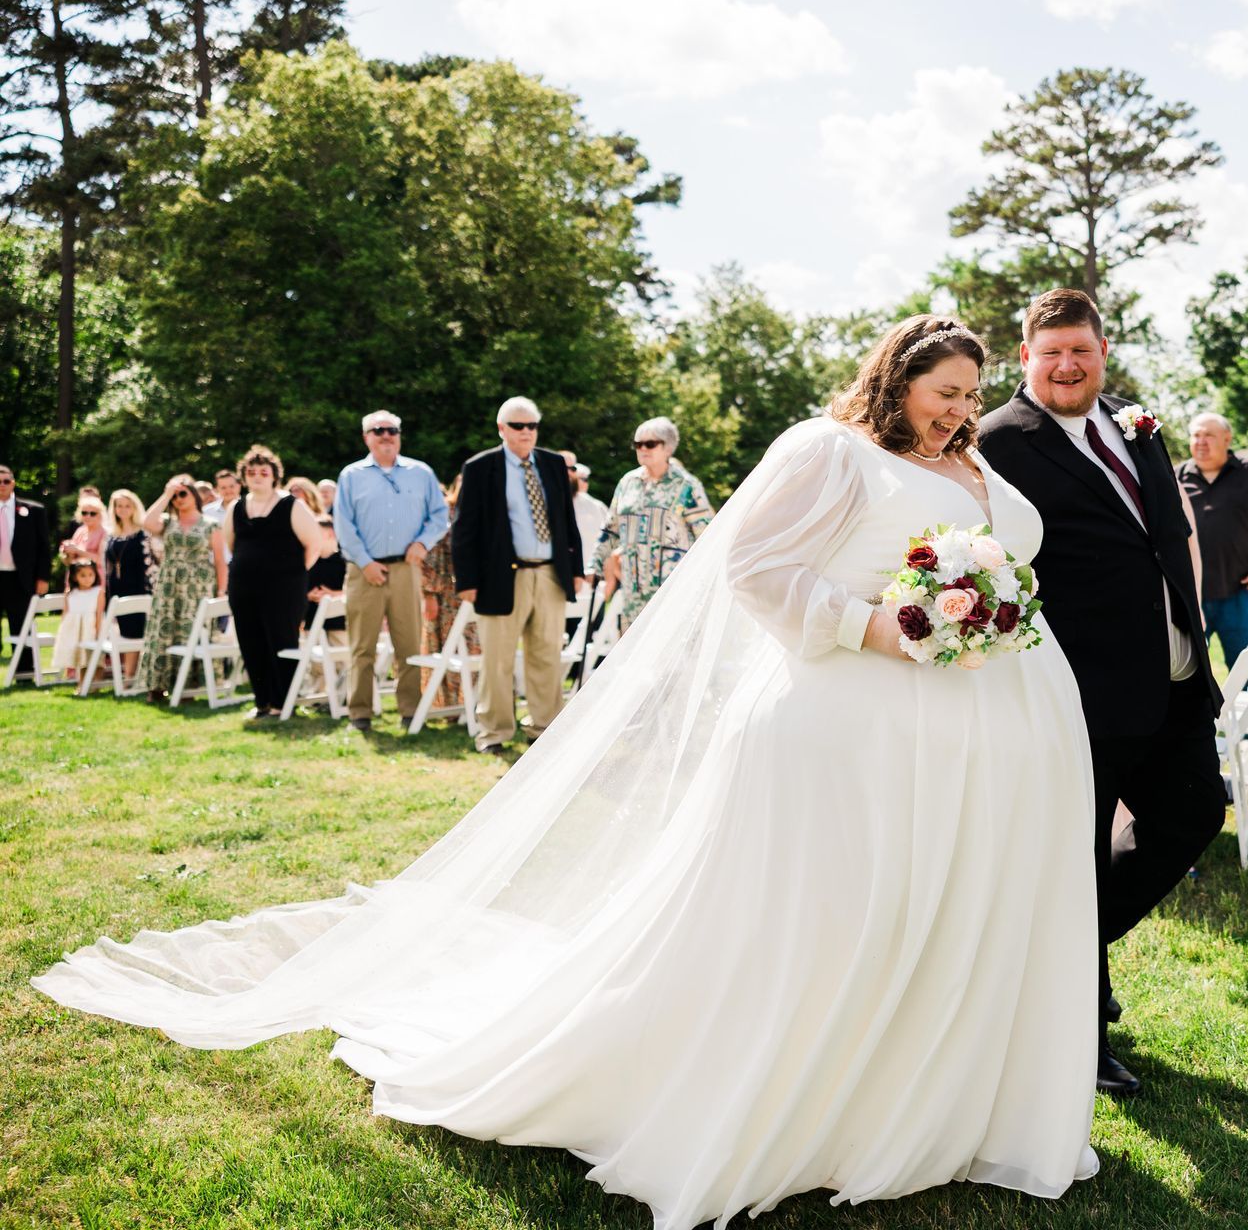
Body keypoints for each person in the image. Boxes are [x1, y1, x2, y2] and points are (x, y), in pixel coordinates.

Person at [33, 314, 1100, 1229]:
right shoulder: (829, 449)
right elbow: (753, 571)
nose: (960, 411)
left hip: (980, 737)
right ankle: (802, 1098)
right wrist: (882, 624)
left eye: (968, 397)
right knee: (828, 920)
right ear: (895, 377)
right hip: (850, 725)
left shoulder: (972, 459)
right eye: (943, 393)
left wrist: (985, 608)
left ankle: (939, 1097)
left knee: (937, 917)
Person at [976, 288, 1227, 1099]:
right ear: (1025, 359)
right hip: (1080, 693)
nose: (1066, 365)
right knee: (1076, 854)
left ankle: (1060, 965)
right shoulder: (994, 445)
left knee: (1193, 814)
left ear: (1102, 351)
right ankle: (1076, 1030)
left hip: (1177, 673)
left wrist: (1189, 623)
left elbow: (1171, 534)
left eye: (1079, 349)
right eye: (1050, 353)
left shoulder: (1137, 424)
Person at [452, 397, 583, 754]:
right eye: (517, 426)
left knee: (546, 656)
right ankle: (493, 733)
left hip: (549, 576)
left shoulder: (554, 464)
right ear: (501, 429)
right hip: (500, 578)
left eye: (532, 426)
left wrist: (576, 569)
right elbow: (464, 529)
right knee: (498, 659)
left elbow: (565, 521)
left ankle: (546, 729)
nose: (526, 433)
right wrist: (466, 581)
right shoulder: (481, 468)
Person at [333, 411, 449, 733]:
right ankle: (360, 713)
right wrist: (365, 563)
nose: (386, 435)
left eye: (392, 430)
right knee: (362, 646)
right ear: (366, 437)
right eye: (378, 430)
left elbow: (439, 517)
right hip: (363, 569)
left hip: (407, 568)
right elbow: (344, 525)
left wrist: (423, 544)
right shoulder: (351, 475)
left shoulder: (420, 473)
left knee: (409, 644)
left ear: (400, 435)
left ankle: (410, 711)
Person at [1178, 412, 1248, 680]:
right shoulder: (1175, 478)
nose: (1201, 442)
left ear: (1227, 439)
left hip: (1240, 594)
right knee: (1185, 675)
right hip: (1191, 597)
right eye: (1196, 435)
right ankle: (1197, 723)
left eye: (1209, 435)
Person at [223, 445, 322, 718]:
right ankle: (262, 701)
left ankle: (283, 702)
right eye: (251, 472)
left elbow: (314, 544)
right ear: (244, 476)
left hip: (284, 589)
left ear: (273, 475)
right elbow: (231, 544)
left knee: (281, 642)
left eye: (263, 472)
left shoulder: (292, 505)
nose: (257, 477)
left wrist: (292, 573)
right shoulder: (236, 507)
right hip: (244, 588)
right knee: (251, 641)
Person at [592, 418, 714, 633]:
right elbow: (611, 529)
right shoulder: (627, 482)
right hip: (632, 592)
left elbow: (707, 536)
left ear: (668, 448)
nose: (643, 449)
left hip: (673, 592)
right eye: (638, 444)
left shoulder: (686, 486)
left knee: (668, 658)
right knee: (631, 656)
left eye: (650, 444)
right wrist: (595, 564)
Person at [136, 475, 227, 702]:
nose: (178, 499)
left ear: (194, 496)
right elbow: (146, 522)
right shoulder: (168, 522)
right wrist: (166, 493)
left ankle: (188, 686)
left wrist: (221, 592)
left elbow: (219, 561)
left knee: (191, 633)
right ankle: (157, 686)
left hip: (198, 587)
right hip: (169, 585)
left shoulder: (211, 525)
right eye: (175, 496)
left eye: (182, 493)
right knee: (163, 631)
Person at [419, 478, 478, 706]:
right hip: (445, 594)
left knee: (474, 649)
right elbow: (430, 556)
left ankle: (473, 703)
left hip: (478, 595)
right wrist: (429, 594)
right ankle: (450, 706)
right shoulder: (445, 513)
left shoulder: (483, 514)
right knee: (447, 648)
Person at [102, 489, 153, 678]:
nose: (123, 509)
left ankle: (129, 676)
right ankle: (126, 673)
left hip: (137, 589)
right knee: (122, 633)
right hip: (115, 590)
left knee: (134, 634)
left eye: (127, 505)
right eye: (119, 506)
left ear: (134, 508)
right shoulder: (112, 535)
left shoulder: (142, 535)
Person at [0, 464, 52, 647]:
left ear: (13, 483)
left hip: (20, 577)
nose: (2, 485)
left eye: (6, 481)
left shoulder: (33, 511)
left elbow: (44, 547)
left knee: (22, 625)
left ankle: (25, 672)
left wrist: (43, 577)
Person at [52, 556, 104, 681]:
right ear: (75, 577)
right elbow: (65, 613)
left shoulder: (98, 592)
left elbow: (99, 614)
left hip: (90, 629)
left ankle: (94, 683)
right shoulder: (70, 593)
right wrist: (63, 631)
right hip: (74, 631)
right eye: (83, 575)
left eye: (91, 575)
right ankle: (81, 682)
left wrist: (98, 631)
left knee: (93, 657)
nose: (87, 579)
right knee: (79, 658)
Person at [59, 496, 108, 566]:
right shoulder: (80, 531)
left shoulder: (104, 533)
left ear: (100, 515)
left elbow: (101, 560)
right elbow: (68, 562)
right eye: (84, 513)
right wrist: (66, 552)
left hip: (96, 575)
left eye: (92, 513)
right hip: (75, 573)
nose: (88, 516)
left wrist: (77, 551)